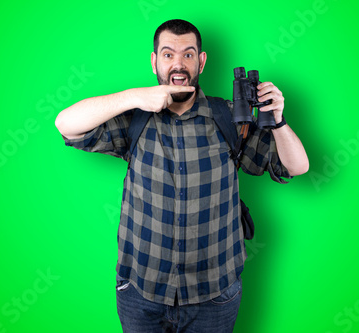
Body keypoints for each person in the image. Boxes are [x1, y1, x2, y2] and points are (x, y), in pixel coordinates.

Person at [55, 19, 308, 333]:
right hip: (141, 290)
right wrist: (133, 96)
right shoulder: (134, 120)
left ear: (201, 62)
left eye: (188, 55)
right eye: (168, 54)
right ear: (154, 61)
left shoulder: (230, 117)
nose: (178, 63)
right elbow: (65, 123)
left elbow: (296, 166)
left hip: (214, 294)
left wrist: (279, 121)